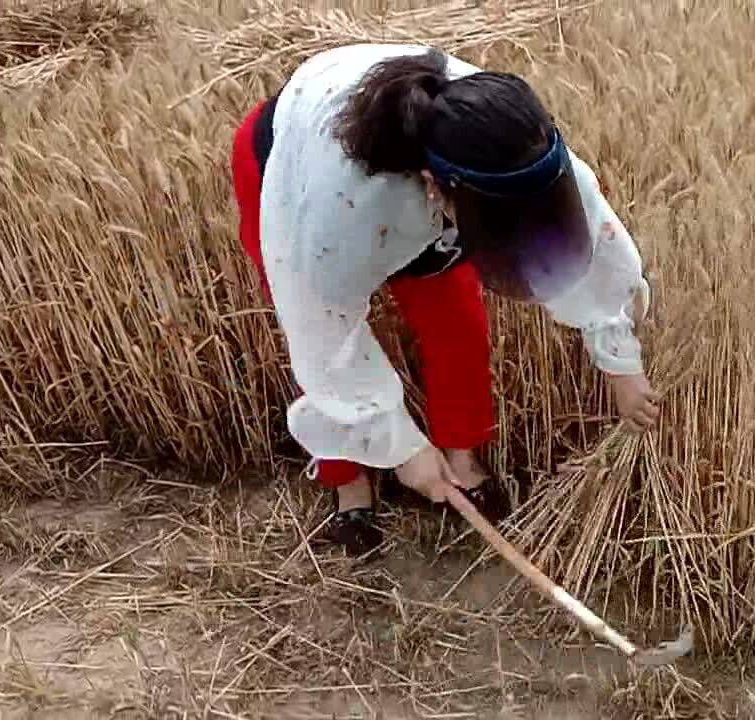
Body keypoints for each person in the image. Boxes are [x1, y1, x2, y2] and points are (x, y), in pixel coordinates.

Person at [229, 43, 659, 556]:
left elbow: (589, 243)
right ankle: (350, 484)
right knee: (318, 333)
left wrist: (620, 361)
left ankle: (461, 459)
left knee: (457, 322)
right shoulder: (335, 212)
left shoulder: (515, 144)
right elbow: (321, 329)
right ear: (436, 191)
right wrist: (402, 449)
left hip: (447, 187)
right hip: (285, 167)